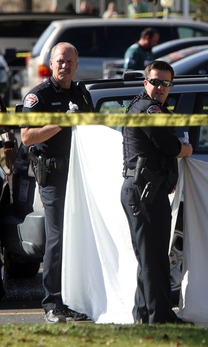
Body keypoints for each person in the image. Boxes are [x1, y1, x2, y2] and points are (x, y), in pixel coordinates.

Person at [21, 42, 95, 323]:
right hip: (53, 177)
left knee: (80, 236)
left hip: (81, 175)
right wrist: (61, 123)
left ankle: (75, 299)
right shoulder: (38, 96)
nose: (65, 66)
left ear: (76, 65)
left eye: (70, 62)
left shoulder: (81, 93)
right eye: (60, 61)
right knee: (57, 238)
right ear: (51, 64)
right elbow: (27, 137)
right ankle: (52, 303)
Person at [121, 60, 192, 324]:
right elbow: (169, 146)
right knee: (154, 259)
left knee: (149, 256)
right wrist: (186, 150)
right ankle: (159, 317)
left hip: (146, 190)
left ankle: (143, 314)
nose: (160, 87)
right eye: (155, 82)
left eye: (165, 83)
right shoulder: (148, 109)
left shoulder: (151, 108)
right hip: (144, 191)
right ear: (145, 82)